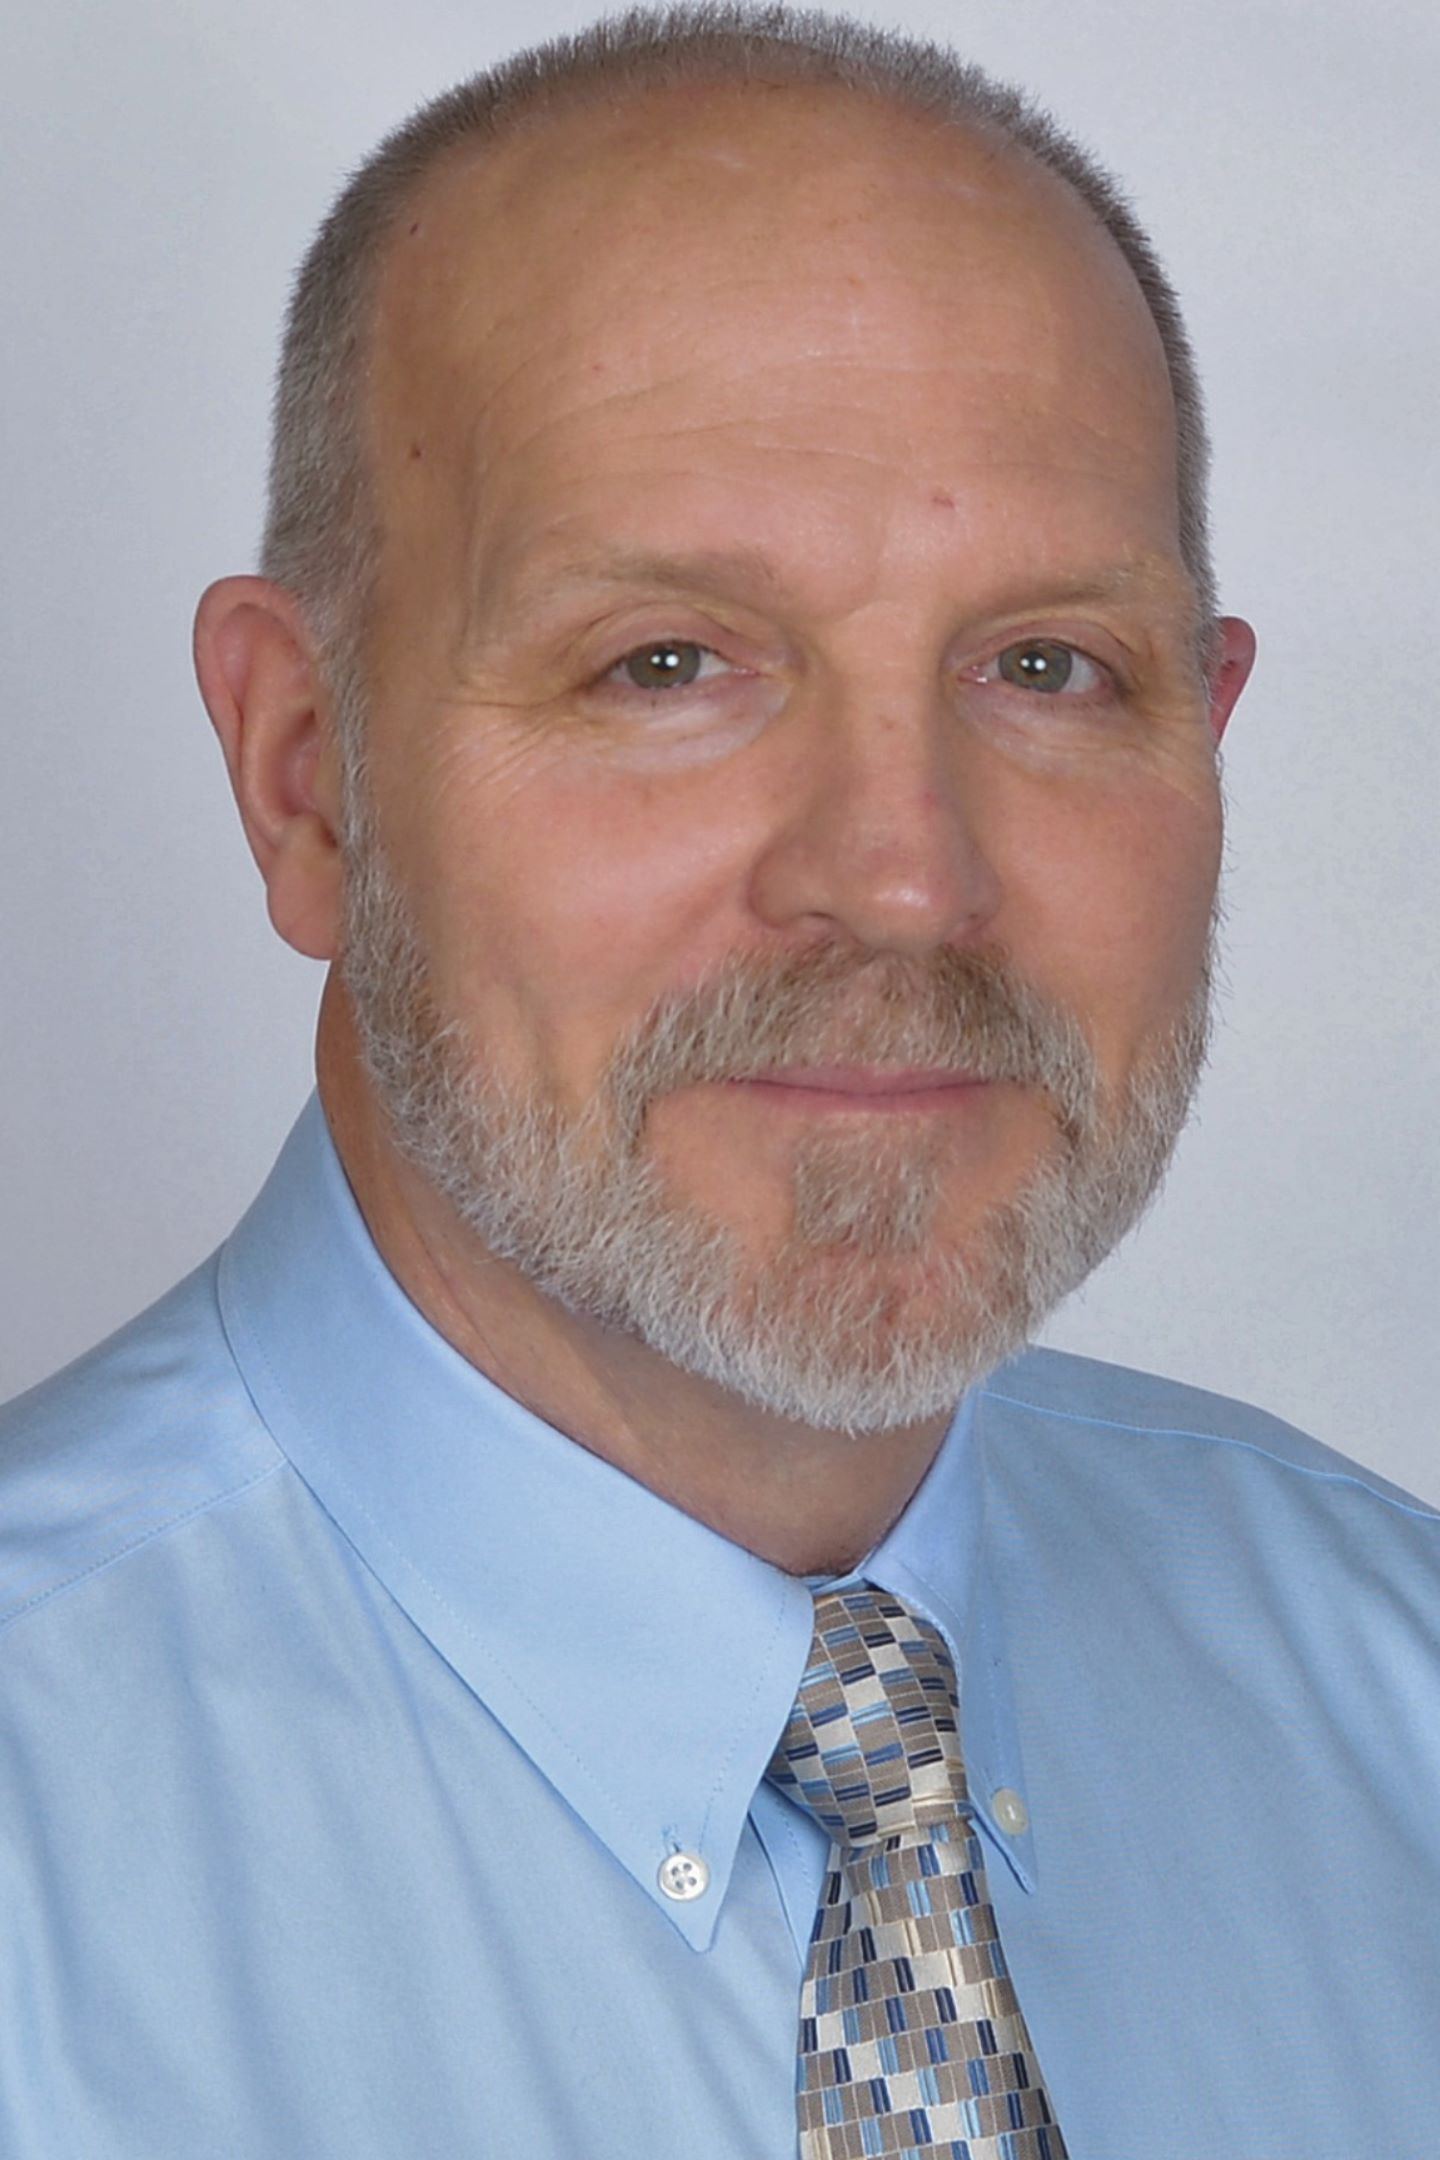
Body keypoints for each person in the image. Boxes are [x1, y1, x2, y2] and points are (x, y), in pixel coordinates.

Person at [2, 8, 1437, 2156]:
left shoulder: (1399, 1691)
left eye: (1049, 667)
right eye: (665, 663)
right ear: (307, 776)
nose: (904, 876)